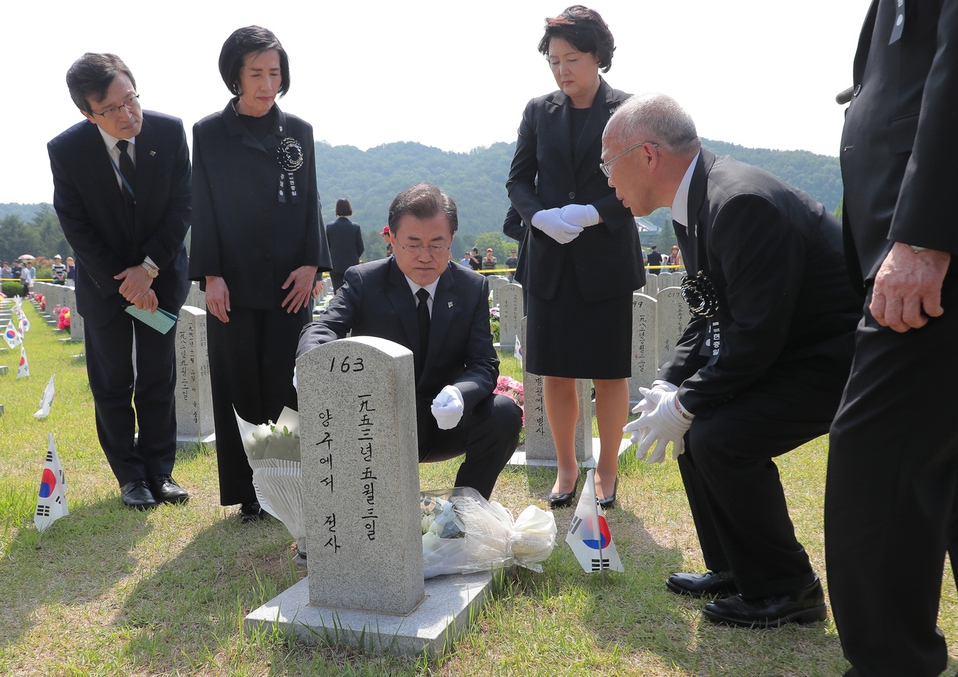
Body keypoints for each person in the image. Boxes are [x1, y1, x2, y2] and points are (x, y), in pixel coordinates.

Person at [605, 94, 861, 627]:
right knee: (696, 427)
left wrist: (688, 401)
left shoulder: (738, 200)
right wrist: (669, 385)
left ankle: (789, 589)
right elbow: (708, 311)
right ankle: (738, 568)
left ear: (647, 155)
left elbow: (756, 334)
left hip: (838, 361)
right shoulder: (695, 202)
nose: (607, 178)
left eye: (608, 162)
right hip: (792, 352)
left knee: (718, 435)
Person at [826, 3, 958, 675]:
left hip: (929, 241)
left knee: (875, 456)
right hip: (899, 234)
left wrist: (927, 232)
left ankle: (890, 663)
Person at [296, 183, 521, 500]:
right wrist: (310, 362)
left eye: (437, 245)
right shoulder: (364, 281)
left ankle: (462, 510)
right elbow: (325, 327)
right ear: (392, 240)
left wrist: (460, 393)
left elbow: (484, 364)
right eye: (413, 245)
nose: (425, 257)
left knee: (504, 413)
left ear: (452, 241)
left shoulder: (471, 287)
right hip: (376, 423)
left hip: (446, 418)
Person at [189, 26, 330, 522]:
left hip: (291, 280)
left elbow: (310, 198)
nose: (267, 83)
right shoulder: (208, 133)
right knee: (238, 384)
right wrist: (210, 274)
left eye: (274, 72)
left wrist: (314, 263)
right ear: (235, 76)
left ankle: (292, 485)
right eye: (256, 73)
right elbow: (201, 205)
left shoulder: (300, 131)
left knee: (286, 383)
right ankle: (249, 492)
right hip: (232, 281)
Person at [506, 5, 642, 508]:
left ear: (598, 56)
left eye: (573, 58)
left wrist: (593, 212)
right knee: (556, 372)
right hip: (548, 260)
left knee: (609, 374)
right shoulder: (538, 111)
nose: (562, 69)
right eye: (554, 60)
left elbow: (640, 183)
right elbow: (519, 179)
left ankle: (606, 471)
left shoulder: (628, 111)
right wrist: (539, 217)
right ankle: (566, 468)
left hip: (604, 259)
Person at [47, 52, 191, 509]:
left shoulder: (168, 132)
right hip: (107, 288)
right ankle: (129, 477)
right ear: (88, 114)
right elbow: (77, 227)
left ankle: (160, 472)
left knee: (157, 376)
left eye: (132, 99)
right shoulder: (66, 150)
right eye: (112, 109)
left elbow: (181, 208)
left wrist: (147, 271)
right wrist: (125, 283)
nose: (129, 114)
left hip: (159, 284)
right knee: (112, 381)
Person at [325, 198, 365, 291]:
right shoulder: (355, 227)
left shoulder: (330, 227)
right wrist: (354, 256)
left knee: (338, 291)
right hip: (352, 264)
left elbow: (327, 247)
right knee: (352, 291)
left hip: (335, 265)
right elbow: (361, 247)